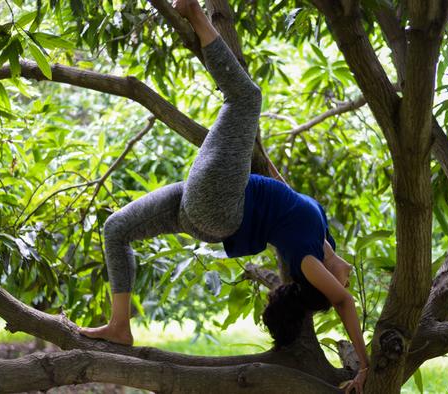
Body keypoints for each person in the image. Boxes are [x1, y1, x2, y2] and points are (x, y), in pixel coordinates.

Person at [79, 0, 368, 391]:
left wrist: (364, 366)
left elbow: (343, 303)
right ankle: (119, 326)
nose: (346, 284)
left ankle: (195, 13)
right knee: (116, 228)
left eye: (340, 284)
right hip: (204, 215)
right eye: (344, 282)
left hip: (221, 205)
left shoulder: (309, 263)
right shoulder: (320, 240)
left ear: (321, 285)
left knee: (247, 98)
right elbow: (284, 190)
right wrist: (257, 148)